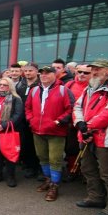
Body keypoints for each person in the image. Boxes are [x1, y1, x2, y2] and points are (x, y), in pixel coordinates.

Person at [73, 59, 108, 215]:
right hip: (85, 135)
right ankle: (96, 197)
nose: (94, 72)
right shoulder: (89, 88)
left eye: (98, 69)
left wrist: (87, 127)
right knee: (88, 169)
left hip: (106, 137)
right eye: (93, 69)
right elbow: (77, 107)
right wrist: (80, 124)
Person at [25, 66, 74, 202]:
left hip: (56, 132)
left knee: (55, 159)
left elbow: (70, 109)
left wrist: (58, 122)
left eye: (48, 73)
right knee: (42, 157)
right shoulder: (34, 90)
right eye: (42, 73)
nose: (44, 75)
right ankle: (48, 180)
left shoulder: (64, 90)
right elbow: (27, 107)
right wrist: (31, 120)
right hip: (37, 130)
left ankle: (54, 185)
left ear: (55, 75)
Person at [63, 65, 91, 181]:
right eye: (80, 72)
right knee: (71, 148)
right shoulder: (69, 85)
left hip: (89, 124)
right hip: (71, 123)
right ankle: (72, 170)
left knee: (88, 150)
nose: (82, 74)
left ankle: (87, 174)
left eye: (86, 72)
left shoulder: (94, 87)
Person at [15, 62, 40, 178]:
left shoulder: (40, 84)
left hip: (35, 119)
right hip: (21, 119)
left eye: (30, 70)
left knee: (36, 144)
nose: (28, 73)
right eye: (26, 71)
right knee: (25, 143)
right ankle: (28, 165)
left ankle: (38, 167)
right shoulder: (20, 84)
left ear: (36, 71)